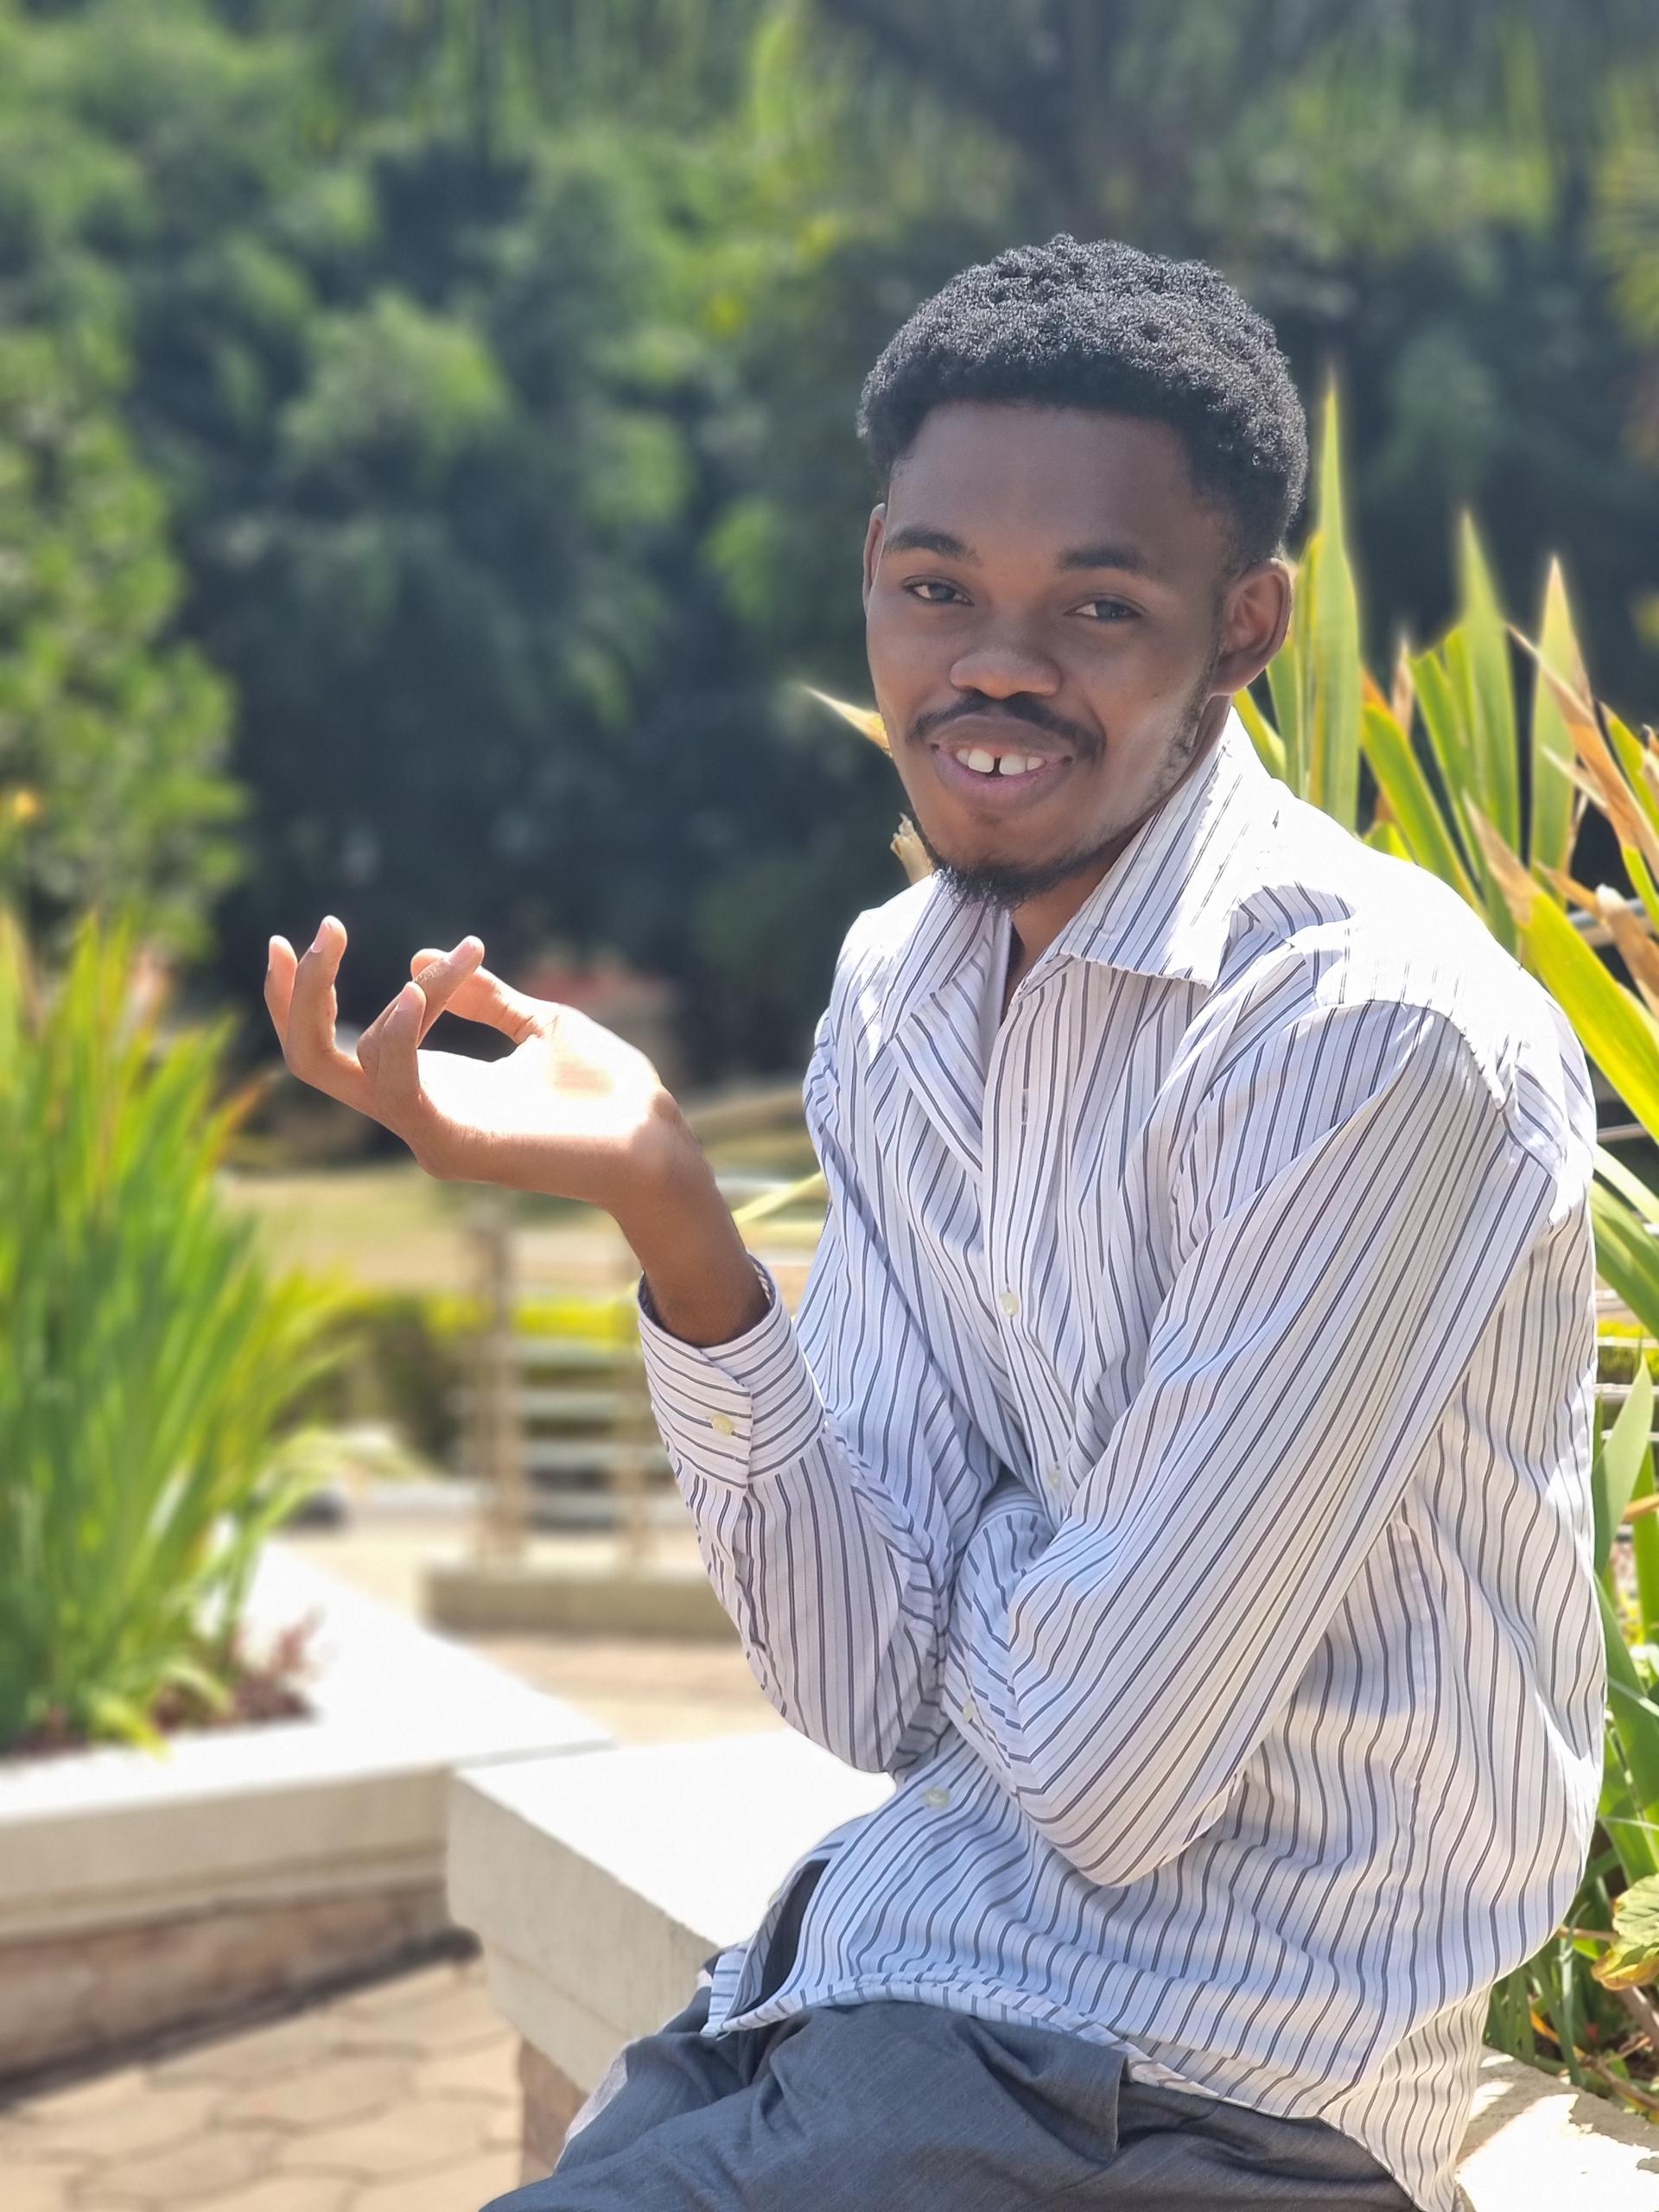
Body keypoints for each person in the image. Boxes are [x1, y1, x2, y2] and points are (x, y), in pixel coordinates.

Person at [264, 235, 1604, 2212]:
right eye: (938, 587)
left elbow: (1104, 1768)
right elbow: (857, 1679)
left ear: (1245, 625)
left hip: (1191, 2092)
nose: (996, 663)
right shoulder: (901, 996)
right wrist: (674, 1214)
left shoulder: (1364, 1037)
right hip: (863, 1993)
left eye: (1099, 605)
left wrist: (1002, 1555)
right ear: (874, 573)